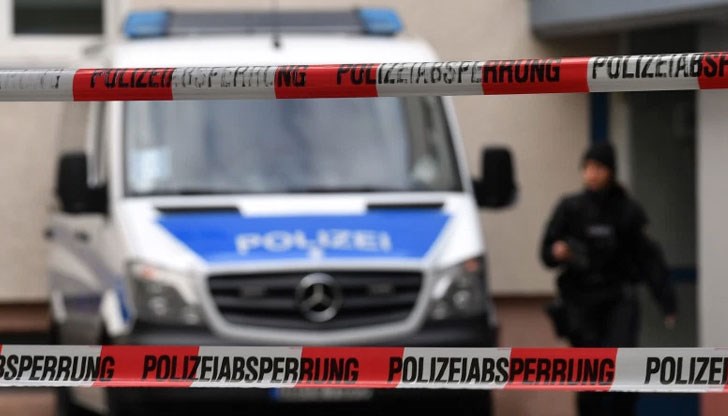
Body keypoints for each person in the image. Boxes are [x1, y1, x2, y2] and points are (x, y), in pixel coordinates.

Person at [539, 141, 677, 416]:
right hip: (582, 303)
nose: (592, 174)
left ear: (610, 171)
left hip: (618, 301)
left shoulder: (627, 211)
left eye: (598, 168)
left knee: (623, 373)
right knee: (588, 381)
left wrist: (667, 301)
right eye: (587, 168)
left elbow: (648, 258)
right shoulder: (570, 208)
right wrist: (558, 252)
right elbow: (546, 252)